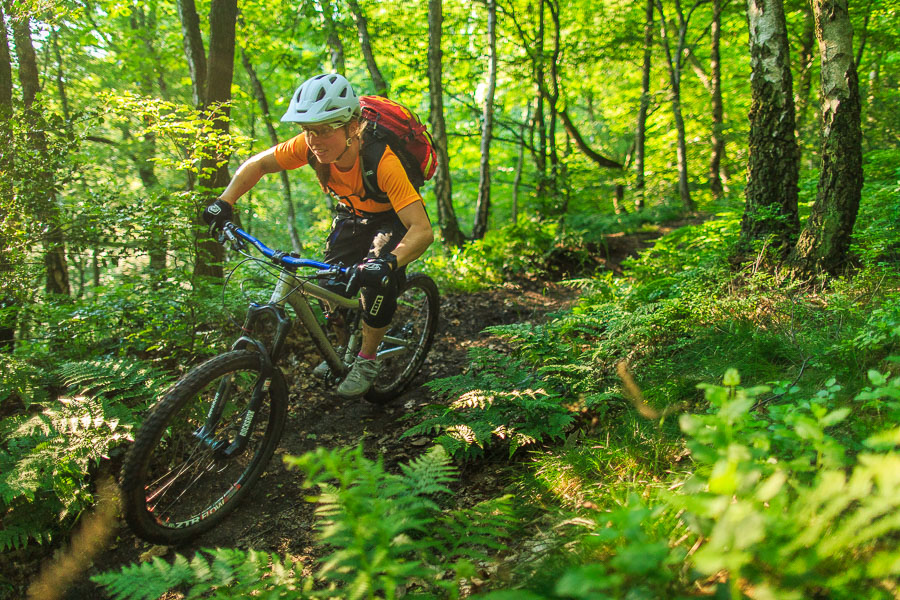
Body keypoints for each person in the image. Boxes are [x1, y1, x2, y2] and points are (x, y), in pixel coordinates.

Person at [202, 73, 434, 398]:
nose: (314, 140)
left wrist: (388, 263)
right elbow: (259, 164)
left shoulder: (382, 161)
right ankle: (343, 351)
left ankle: (366, 360)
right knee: (329, 287)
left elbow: (422, 230)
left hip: (392, 217)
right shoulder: (309, 146)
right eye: (308, 130)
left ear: (352, 127)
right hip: (353, 213)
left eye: (325, 130)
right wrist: (224, 202)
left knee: (375, 282)